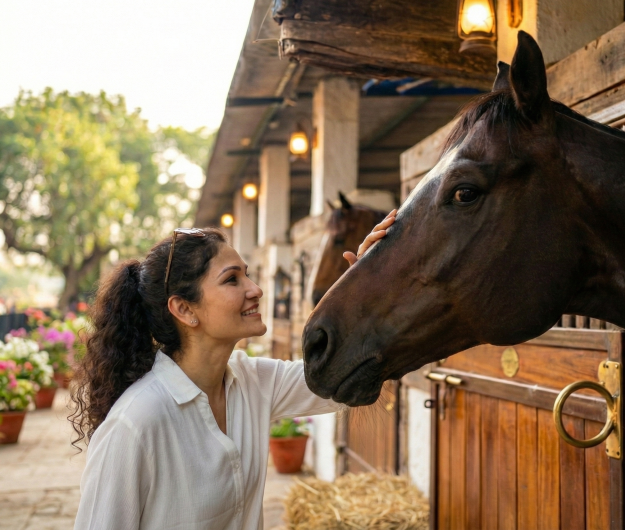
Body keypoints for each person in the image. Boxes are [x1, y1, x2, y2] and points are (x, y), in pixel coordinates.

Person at [69, 219, 392, 530]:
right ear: (184, 309)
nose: (255, 290)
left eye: (247, 276)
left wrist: (366, 286)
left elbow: (341, 371)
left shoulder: (252, 380)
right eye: (232, 280)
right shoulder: (136, 423)